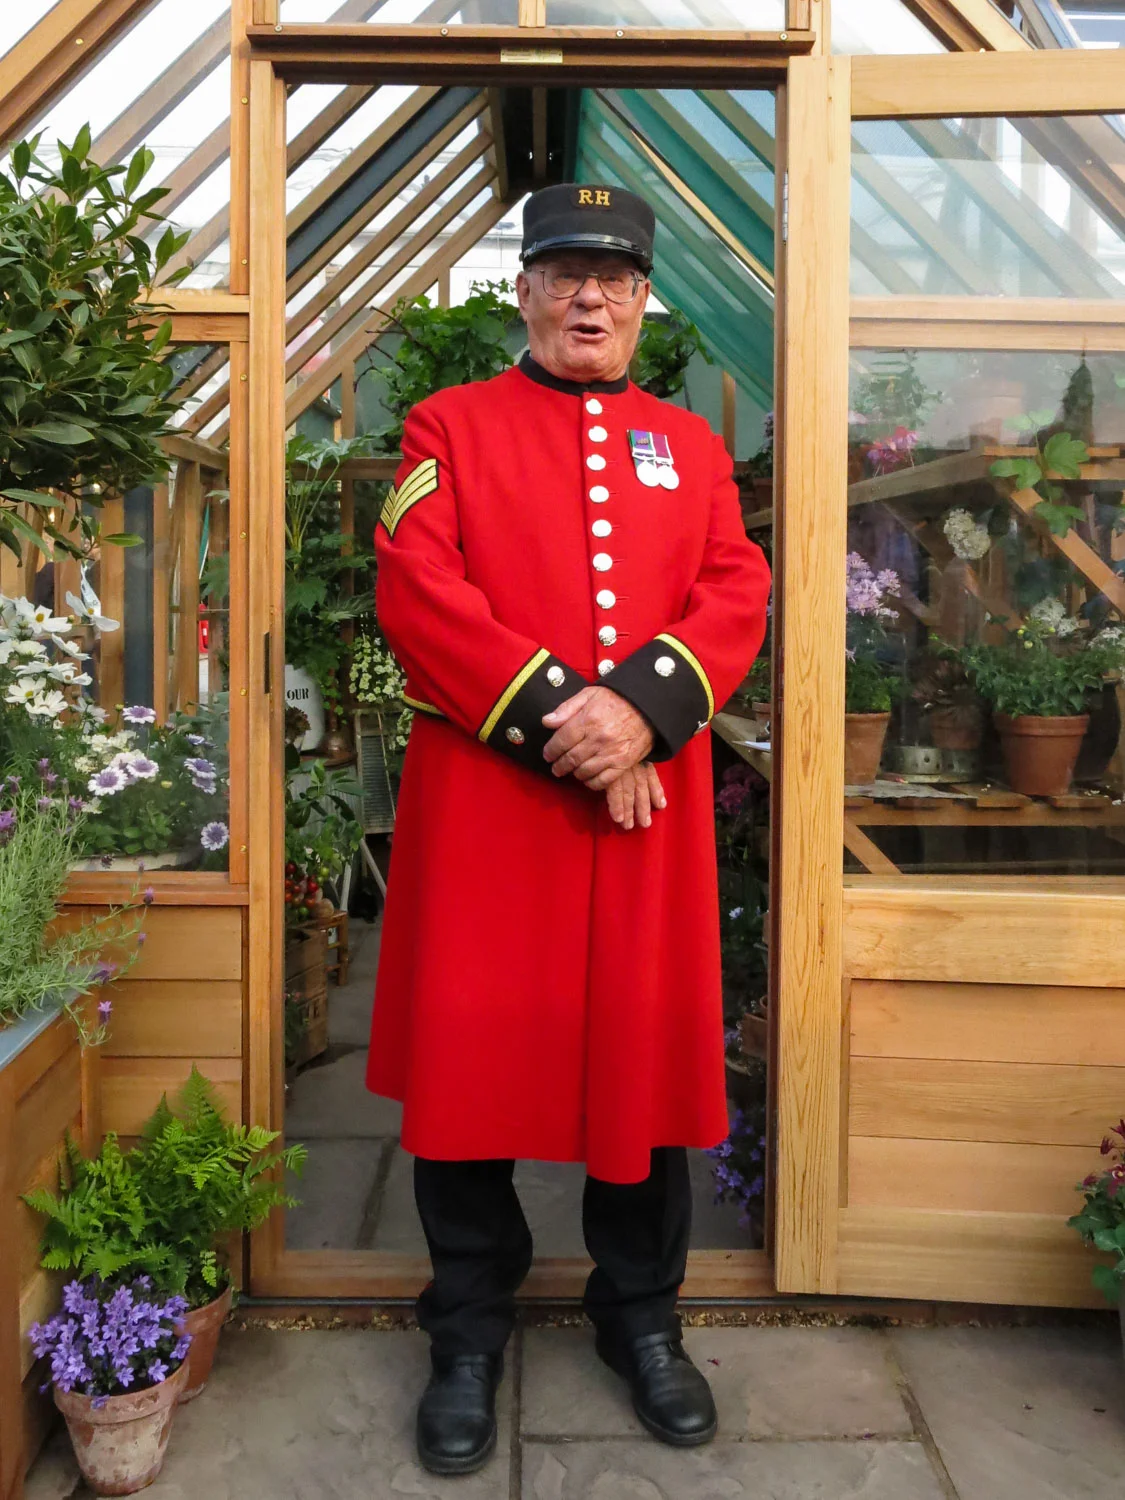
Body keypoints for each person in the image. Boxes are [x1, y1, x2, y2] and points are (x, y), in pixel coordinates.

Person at [366, 182, 771, 1476]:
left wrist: (646, 713)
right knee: (472, 1075)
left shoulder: (692, 447)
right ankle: (468, 1334)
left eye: (612, 277)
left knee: (642, 1074)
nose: (588, 296)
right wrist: (572, 722)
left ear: (645, 300)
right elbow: (418, 589)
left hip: (641, 826)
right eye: (563, 273)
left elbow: (734, 586)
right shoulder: (450, 423)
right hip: (492, 810)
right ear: (524, 289)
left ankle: (641, 1319)